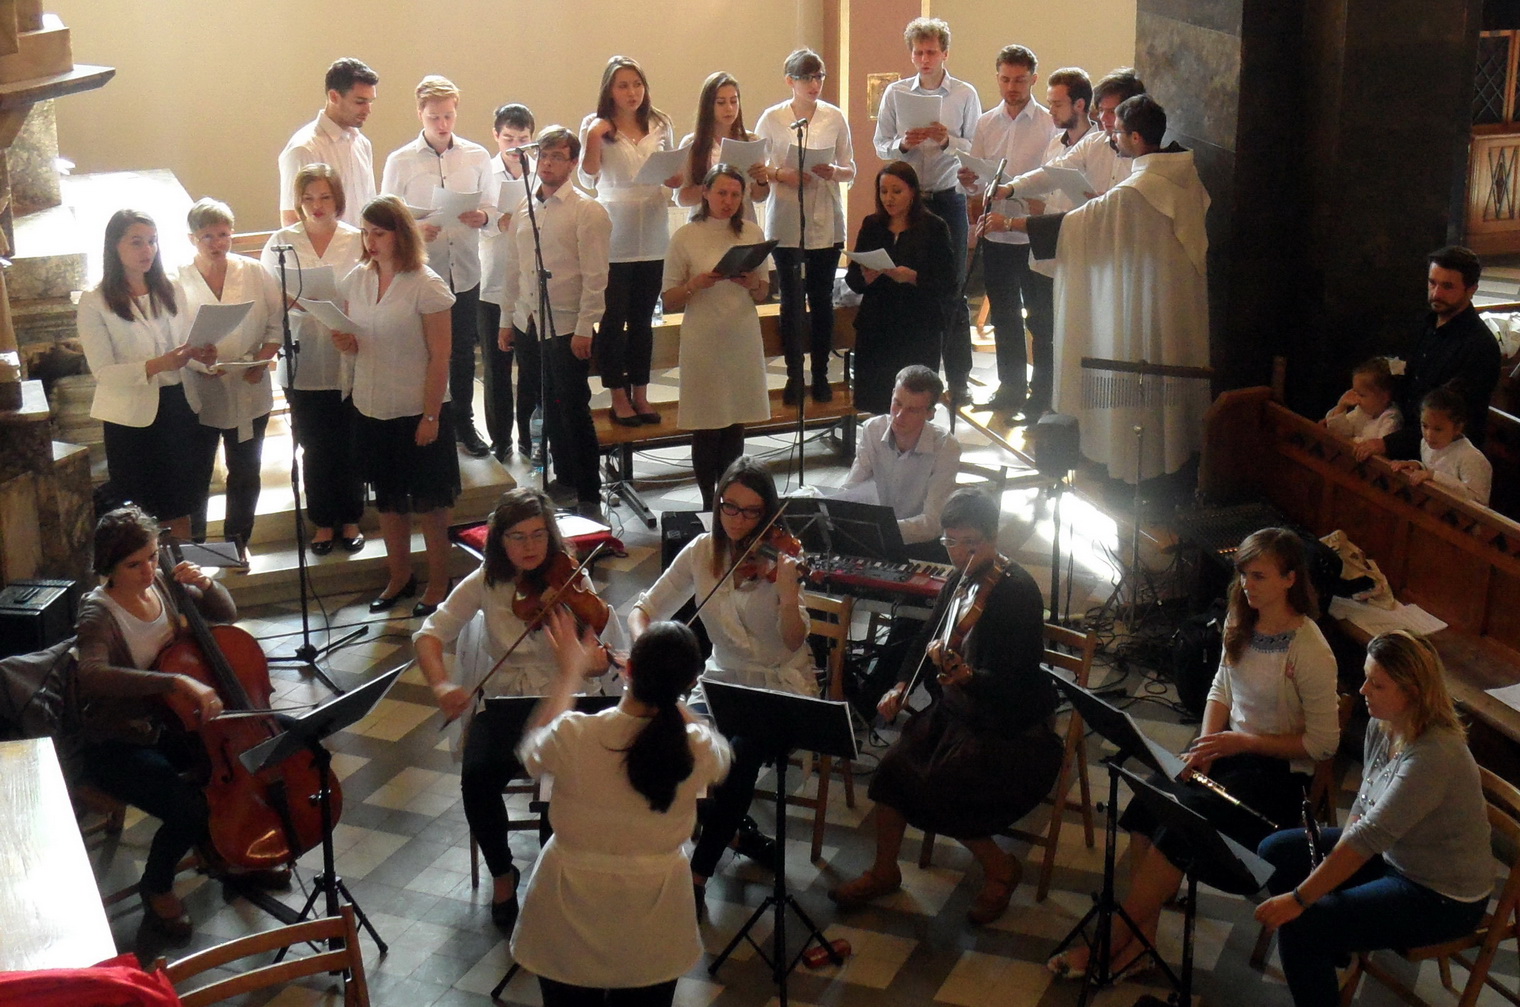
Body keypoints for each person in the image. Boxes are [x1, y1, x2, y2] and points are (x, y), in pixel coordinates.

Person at [1048, 527, 1339, 977]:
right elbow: (1221, 687)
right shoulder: (1241, 617)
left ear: (1290, 579)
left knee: (1180, 828)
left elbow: (1323, 744)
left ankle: (1112, 943)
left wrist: (1241, 742)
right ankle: (1142, 940)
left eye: (1259, 576)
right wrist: (1205, 747)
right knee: (1146, 806)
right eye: (1243, 574)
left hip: (1275, 778)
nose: (1247, 585)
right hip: (1228, 752)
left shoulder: (1310, 648)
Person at [829, 488, 1062, 926]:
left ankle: (1001, 868)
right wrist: (901, 684)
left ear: (993, 537)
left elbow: (1015, 678)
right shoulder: (958, 581)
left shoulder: (1018, 592)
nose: (960, 554)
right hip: (959, 713)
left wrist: (970, 678)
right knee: (892, 769)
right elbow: (927, 637)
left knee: (945, 785)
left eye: (970, 544)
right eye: (951, 543)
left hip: (1008, 726)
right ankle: (884, 870)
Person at [414, 487, 621, 929]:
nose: (530, 547)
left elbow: (603, 657)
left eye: (538, 535)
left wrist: (588, 662)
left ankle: (553, 879)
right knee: (476, 778)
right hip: (505, 702)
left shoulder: (570, 578)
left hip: (564, 701)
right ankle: (503, 873)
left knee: (557, 783)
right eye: (517, 537)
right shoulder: (485, 582)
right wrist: (442, 685)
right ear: (499, 541)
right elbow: (429, 634)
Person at [1255, 631, 1492, 1007]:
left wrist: (1301, 899)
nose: (1363, 690)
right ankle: (1334, 949)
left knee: (1301, 926)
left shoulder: (1434, 755)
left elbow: (1368, 838)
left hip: (1440, 895)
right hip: (1394, 855)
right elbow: (1364, 807)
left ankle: (1322, 948)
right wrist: (1329, 873)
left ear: (1412, 693)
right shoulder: (1382, 723)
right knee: (1274, 852)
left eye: (1377, 684)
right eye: (1366, 677)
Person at [510, 613, 731, 1007]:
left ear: (628, 670)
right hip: (655, 913)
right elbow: (720, 751)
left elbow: (531, 753)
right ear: (689, 683)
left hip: (569, 906)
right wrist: (672, 696)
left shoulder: (575, 733)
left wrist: (569, 673)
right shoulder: (698, 747)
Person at [989, 93, 1210, 483]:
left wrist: (1008, 224)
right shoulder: (1182, 172)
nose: (1112, 137)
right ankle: (1173, 451)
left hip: (1143, 303)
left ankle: (1139, 462)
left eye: (1118, 131)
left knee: (1138, 374)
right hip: (1171, 296)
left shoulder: (1138, 189)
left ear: (1137, 138)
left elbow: (1078, 226)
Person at [629, 456, 811, 908]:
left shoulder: (781, 560)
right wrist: (642, 649)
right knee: (674, 746)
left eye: (751, 512)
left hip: (778, 686)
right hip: (721, 680)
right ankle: (735, 831)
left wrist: (788, 593)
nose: (738, 521)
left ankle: (698, 873)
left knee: (738, 757)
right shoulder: (701, 553)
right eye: (729, 507)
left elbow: (793, 641)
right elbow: (644, 609)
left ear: (768, 514)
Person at [73, 506, 232, 940]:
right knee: (188, 809)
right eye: (134, 564)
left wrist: (207, 584)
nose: (148, 570)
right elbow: (92, 674)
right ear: (109, 567)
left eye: (153, 556)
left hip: (168, 724)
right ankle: (157, 885)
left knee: (229, 770)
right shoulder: (98, 612)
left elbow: (226, 614)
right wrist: (174, 681)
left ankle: (225, 846)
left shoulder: (162, 582)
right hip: (117, 741)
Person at [333, 195, 458, 615]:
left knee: (430, 505)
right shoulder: (357, 279)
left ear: (400, 235)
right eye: (365, 233)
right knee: (388, 501)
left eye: (379, 233)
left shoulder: (426, 284)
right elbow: (358, 341)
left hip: (417, 408)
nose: (370, 242)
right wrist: (346, 342)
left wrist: (430, 415)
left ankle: (439, 582)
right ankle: (399, 577)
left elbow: (440, 355)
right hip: (372, 406)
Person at [77, 209, 217, 541]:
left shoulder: (170, 288)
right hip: (131, 419)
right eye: (137, 242)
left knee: (181, 504)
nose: (147, 250)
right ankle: (150, 572)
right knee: (140, 515)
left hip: (178, 407)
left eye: (152, 241)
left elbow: (183, 346)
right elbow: (103, 372)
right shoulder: (95, 301)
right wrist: (157, 365)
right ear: (114, 246)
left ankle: (181, 570)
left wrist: (202, 356)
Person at [499, 125, 612, 519]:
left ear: (573, 162)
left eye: (557, 157)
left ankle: (589, 491)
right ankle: (563, 478)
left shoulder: (587, 210)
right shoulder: (524, 208)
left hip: (565, 324)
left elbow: (596, 277)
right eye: (543, 156)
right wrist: (506, 319)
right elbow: (513, 267)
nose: (547, 164)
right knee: (546, 405)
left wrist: (584, 327)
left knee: (573, 409)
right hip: (529, 321)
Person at [381, 75, 496, 458]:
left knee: (462, 351)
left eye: (448, 116)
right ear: (420, 114)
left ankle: (463, 422)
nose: (443, 124)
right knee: (422, 351)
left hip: (464, 269)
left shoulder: (477, 156)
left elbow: (493, 208)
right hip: (420, 271)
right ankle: (426, 420)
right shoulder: (400, 161)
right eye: (434, 117)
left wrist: (483, 216)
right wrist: (414, 230)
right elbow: (384, 219)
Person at [873, 17, 982, 406]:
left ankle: (959, 379)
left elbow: (976, 147)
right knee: (908, 285)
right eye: (918, 52)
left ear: (945, 53)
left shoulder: (965, 93)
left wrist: (947, 139)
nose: (924, 59)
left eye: (931, 52)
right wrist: (903, 144)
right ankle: (913, 378)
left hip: (949, 196)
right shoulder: (896, 92)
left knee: (951, 290)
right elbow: (880, 144)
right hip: (909, 201)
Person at [260, 163, 366, 555]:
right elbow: (269, 294)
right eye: (308, 198)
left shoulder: (356, 239)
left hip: (348, 351)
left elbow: (369, 287)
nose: (317, 206)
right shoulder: (282, 242)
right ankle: (322, 521)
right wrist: (304, 304)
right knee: (314, 444)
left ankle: (351, 518)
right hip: (302, 353)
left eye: (324, 197)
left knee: (349, 441)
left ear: (338, 199)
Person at [661, 164, 772, 509]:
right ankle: (709, 503)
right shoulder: (686, 236)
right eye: (721, 193)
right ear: (706, 193)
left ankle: (731, 502)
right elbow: (668, 299)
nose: (728, 201)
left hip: (741, 333)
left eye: (735, 195)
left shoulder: (751, 231)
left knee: (735, 422)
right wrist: (695, 284)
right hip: (704, 337)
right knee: (707, 423)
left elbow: (763, 292)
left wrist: (752, 282)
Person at [178, 197, 283, 550]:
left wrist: (260, 361)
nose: (217, 243)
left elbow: (276, 323)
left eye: (223, 234)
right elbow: (170, 333)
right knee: (196, 473)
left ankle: (237, 543)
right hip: (199, 384)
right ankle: (194, 548)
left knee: (245, 469)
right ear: (192, 239)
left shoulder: (253, 271)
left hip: (247, 382)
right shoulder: (177, 278)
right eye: (207, 236)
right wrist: (198, 363)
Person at [579, 55, 679, 427]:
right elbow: (587, 178)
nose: (632, 92)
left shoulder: (660, 122)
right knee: (613, 319)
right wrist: (593, 137)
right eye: (623, 85)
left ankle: (641, 393)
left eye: (637, 84)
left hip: (653, 231)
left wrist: (675, 177)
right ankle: (617, 396)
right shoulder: (595, 126)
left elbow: (673, 171)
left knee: (642, 321)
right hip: (614, 234)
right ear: (609, 90)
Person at [755, 48, 857, 406]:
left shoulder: (834, 116)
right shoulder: (772, 118)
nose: (815, 84)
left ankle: (821, 375)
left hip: (825, 222)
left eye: (819, 77)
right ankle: (794, 376)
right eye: (807, 78)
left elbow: (850, 167)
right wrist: (782, 173)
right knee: (792, 303)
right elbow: (757, 167)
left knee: (822, 301)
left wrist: (834, 171)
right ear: (790, 81)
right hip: (786, 219)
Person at [959, 45, 1054, 417]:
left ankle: (1041, 393)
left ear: (1033, 79)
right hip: (996, 232)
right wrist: (969, 181)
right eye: (1005, 79)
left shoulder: (1048, 124)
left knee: (1039, 317)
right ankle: (1010, 386)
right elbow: (976, 180)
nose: (1011, 87)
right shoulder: (986, 123)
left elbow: (1050, 183)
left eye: (1019, 80)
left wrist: (1018, 192)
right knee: (1004, 314)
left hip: (1031, 234)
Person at [1364, 246, 1501, 457]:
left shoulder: (1481, 347)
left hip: (1443, 455)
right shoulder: (1424, 324)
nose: (1436, 294)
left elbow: (1449, 419)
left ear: (1471, 289)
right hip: (1403, 434)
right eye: (1432, 283)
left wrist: (1388, 444)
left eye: (1447, 286)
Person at [844, 161, 954, 414]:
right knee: (877, 401)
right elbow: (853, 280)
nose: (889, 198)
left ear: (912, 192)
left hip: (917, 329)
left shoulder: (934, 227)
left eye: (896, 191)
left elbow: (948, 282)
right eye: (883, 191)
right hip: (876, 327)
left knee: (912, 405)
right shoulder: (872, 225)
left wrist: (914, 277)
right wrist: (865, 278)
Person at [843, 365, 960, 561]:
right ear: (892, 395)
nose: (898, 416)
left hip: (920, 545)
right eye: (897, 403)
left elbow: (932, 523)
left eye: (912, 410)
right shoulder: (873, 430)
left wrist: (882, 529)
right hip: (874, 538)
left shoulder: (946, 447)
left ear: (930, 413)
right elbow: (851, 490)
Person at [995, 67, 1144, 206]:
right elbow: (1055, 172)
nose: (1103, 118)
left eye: (1112, 111)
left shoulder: (1146, 152)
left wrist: (1112, 203)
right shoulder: (1092, 144)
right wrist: (1010, 188)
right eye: (1101, 110)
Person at [479, 103, 536, 462]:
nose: (516, 147)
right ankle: (500, 439)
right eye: (509, 139)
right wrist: (496, 221)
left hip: (530, 284)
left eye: (523, 139)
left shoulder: (540, 169)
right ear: (496, 136)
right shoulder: (484, 171)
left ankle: (530, 437)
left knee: (529, 366)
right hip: (493, 279)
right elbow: (474, 220)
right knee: (496, 367)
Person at [278, 57, 378, 228]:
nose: (368, 110)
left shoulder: (362, 144)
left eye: (370, 102)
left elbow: (369, 206)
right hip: (326, 246)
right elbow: (292, 220)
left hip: (363, 243)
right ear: (334, 96)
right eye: (360, 102)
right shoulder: (304, 149)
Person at [676, 71, 771, 223]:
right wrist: (713, 187)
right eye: (721, 102)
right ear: (709, 106)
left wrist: (761, 180)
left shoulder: (750, 140)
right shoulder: (692, 144)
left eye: (734, 101)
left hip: (742, 221)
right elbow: (682, 198)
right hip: (704, 224)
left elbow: (758, 196)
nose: (729, 108)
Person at [1390, 387, 1493, 505]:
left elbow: (1477, 500)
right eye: (1425, 426)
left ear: (1457, 428)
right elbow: (1432, 468)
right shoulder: (1425, 443)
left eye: (1438, 429)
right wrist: (1417, 466)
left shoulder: (1471, 458)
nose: (1429, 434)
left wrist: (1433, 476)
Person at [1324, 356, 1402, 459]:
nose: (1356, 399)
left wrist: (1351, 440)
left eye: (1361, 395)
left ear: (1384, 397)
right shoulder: (1361, 411)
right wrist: (1341, 407)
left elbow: (1375, 449)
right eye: (1355, 393)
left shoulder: (1391, 418)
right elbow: (1340, 432)